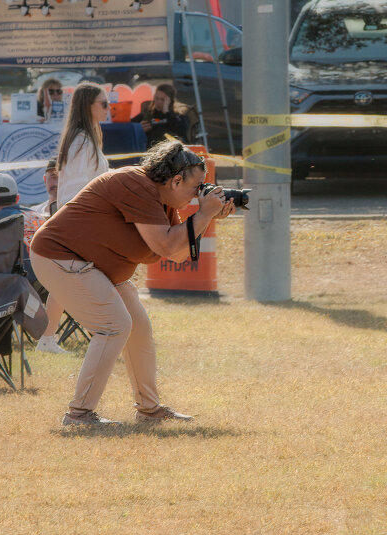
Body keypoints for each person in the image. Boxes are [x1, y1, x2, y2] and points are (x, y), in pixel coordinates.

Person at [30, 140, 237, 425]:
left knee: (138, 327)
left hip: (98, 267)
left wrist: (206, 216)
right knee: (114, 325)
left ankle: (149, 410)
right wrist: (203, 214)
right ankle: (79, 414)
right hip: (59, 257)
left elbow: (177, 255)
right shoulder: (136, 183)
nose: (198, 194)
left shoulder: (162, 199)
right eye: (196, 186)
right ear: (176, 180)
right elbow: (166, 245)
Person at [36, 83, 111, 354]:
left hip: (80, 219)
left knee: (69, 281)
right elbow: (78, 188)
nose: (108, 108)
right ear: (88, 106)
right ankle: (106, 332)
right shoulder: (82, 141)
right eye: (103, 103)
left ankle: (49, 338)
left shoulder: (84, 138)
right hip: (79, 220)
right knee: (82, 280)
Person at [132, 83, 188, 147]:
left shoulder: (178, 115)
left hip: (171, 149)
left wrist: (166, 112)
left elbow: (181, 131)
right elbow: (130, 125)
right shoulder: (149, 114)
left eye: (162, 99)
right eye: (157, 98)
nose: (159, 102)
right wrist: (138, 128)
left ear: (170, 101)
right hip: (152, 149)